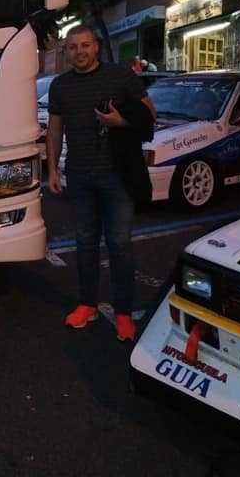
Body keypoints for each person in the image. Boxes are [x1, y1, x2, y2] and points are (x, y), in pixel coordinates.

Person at [46, 25, 156, 342]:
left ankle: (123, 313)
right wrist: (52, 169)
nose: (79, 51)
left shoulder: (120, 76)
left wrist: (120, 121)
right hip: (80, 175)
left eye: (85, 45)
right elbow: (55, 129)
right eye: (73, 47)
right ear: (66, 51)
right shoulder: (60, 86)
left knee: (119, 244)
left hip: (117, 176)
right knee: (85, 243)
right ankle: (87, 305)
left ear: (96, 47)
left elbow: (150, 115)